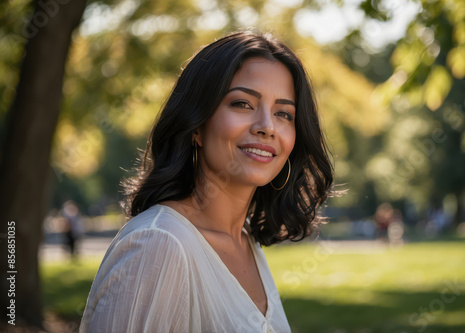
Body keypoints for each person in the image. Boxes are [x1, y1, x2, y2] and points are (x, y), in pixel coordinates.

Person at [79, 30, 334, 333]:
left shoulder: (245, 241)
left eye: (283, 113)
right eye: (242, 104)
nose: (267, 127)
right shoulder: (159, 244)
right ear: (196, 125)